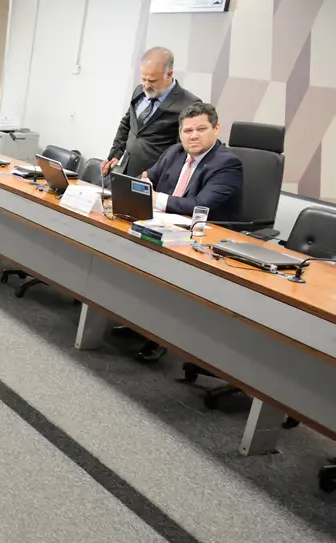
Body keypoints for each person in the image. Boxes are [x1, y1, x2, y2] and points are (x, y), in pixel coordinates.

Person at [132, 101, 243, 364]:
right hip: (167, 227)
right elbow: (148, 176)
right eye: (187, 130)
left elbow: (198, 206)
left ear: (216, 129)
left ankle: (160, 336)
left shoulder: (227, 164)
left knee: (165, 273)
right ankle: (136, 319)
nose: (193, 136)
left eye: (201, 129)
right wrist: (143, 182)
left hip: (205, 237)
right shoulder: (174, 152)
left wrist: (155, 198)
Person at [101, 46, 199, 178]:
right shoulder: (139, 91)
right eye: (143, 79)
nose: (146, 85)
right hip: (126, 170)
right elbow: (127, 124)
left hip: (155, 178)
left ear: (169, 74)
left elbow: (182, 151)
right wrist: (115, 154)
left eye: (153, 81)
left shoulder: (189, 104)